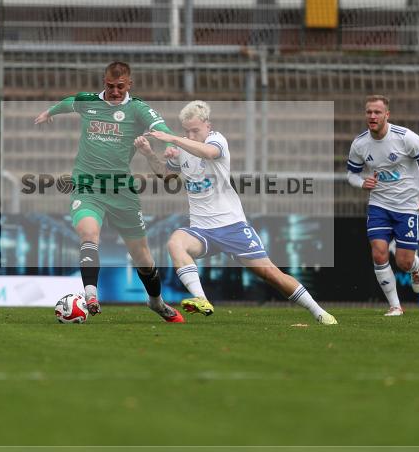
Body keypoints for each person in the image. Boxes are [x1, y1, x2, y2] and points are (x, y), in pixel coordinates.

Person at [135, 100, 337, 325]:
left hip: (232, 227)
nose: (190, 135)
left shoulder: (216, 140)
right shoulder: (184, 148)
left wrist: (174, 139)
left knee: (271, 275)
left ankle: (319, 312)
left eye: (195, 130)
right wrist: (149, 153)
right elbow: (166, 176)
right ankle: (202, 299)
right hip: (202, 230)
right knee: (175, 242)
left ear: (207, 126)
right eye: (186, 131)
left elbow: (209, 153)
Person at [33, 61, 183, 323]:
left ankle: (156, 302)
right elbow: (70, 102)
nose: (114, 91)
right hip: (87, 185)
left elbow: (161, 127)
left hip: (121, 190)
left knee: (142, 257)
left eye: (120, 87)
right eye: (110, 86)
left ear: (129, 85)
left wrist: (171, 145)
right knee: (89, 234)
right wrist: (49, 112)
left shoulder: (137, 109)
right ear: (104, 83)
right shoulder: (88, 102)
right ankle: (90, 295)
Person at [346, 95, 419, 316]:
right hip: (379, 204)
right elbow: (351, 174)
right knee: (379, 254)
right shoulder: (360, 144)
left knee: (403, 262)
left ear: (387, 115)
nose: (372, 116)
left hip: (407, 206)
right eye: (369, 112)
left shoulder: (405, 137)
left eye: (377, 112)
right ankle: (395, 306)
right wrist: (361, 183)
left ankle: (414, 265)